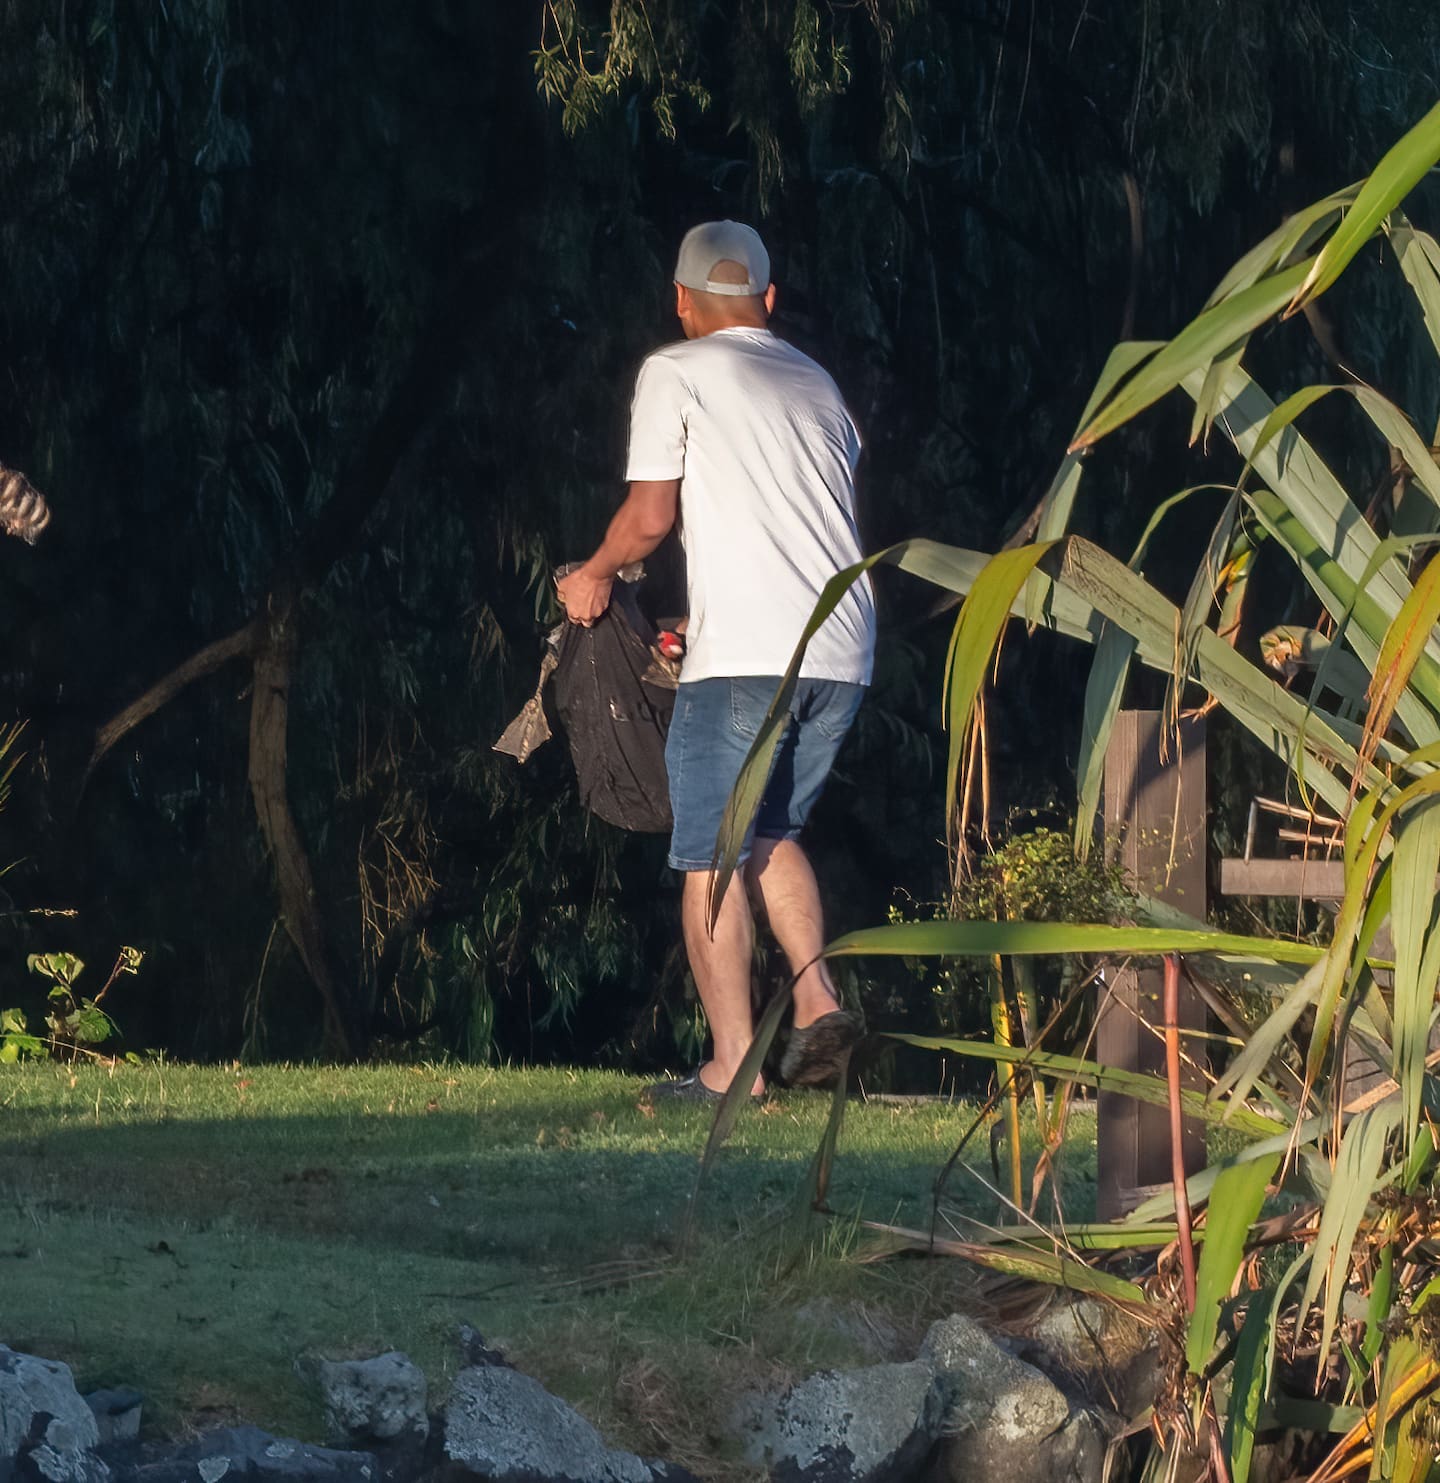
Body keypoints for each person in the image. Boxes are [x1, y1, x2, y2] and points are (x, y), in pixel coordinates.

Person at [556, 220, 876, 1099]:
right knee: (770, 833)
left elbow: (651, 517)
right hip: (842, 650)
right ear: (768, 302)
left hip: (746, 661)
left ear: (682, 301)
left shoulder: (677, 370)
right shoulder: (817, 384)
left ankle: (735, 1066)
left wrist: (594, 575)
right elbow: (793, 527)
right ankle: (816, 1002)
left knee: (710, 855)